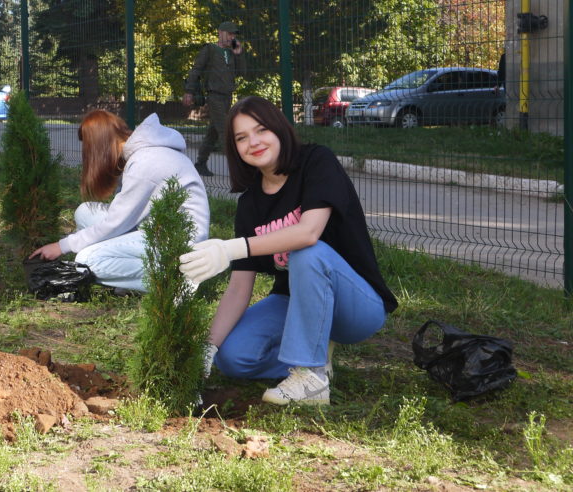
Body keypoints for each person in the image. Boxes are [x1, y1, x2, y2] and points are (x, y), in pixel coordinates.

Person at [178, 96, 398, 405]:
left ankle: (311, 378)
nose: (253, 142)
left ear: (279, 129)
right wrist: (208, 348)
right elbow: (240, 288)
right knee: (233, 358)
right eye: (241, 138)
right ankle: (316, 358)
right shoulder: (249, 204)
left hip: (356, 307)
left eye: (261, 130)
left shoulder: (316, 161)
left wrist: (233, 248)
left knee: (307, 252)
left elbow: (308, 233)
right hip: (294, 301)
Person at [30, 110, 210, 293]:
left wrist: (62, 246)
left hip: (178, 245)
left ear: (99, 146)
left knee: (87, 259)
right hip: (156, 229)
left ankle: (175, 278)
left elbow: (116, 223)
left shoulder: (145, 162)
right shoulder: (140, 155)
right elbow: (121, 217)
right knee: (85, 212)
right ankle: (128, 281)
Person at [182, 21, 246, 177]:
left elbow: (243, 73)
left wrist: (239, 54)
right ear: (220, 32)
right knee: (225, 130)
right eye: (229, 33)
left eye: (234, 34)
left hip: (228, 96)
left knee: (214, 132)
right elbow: (196, 69)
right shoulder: (209, 49)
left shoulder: (231, 53)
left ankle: (200, 163)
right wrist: (189, 91)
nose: (232, 37)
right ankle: (238, 169)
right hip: (214, 95)